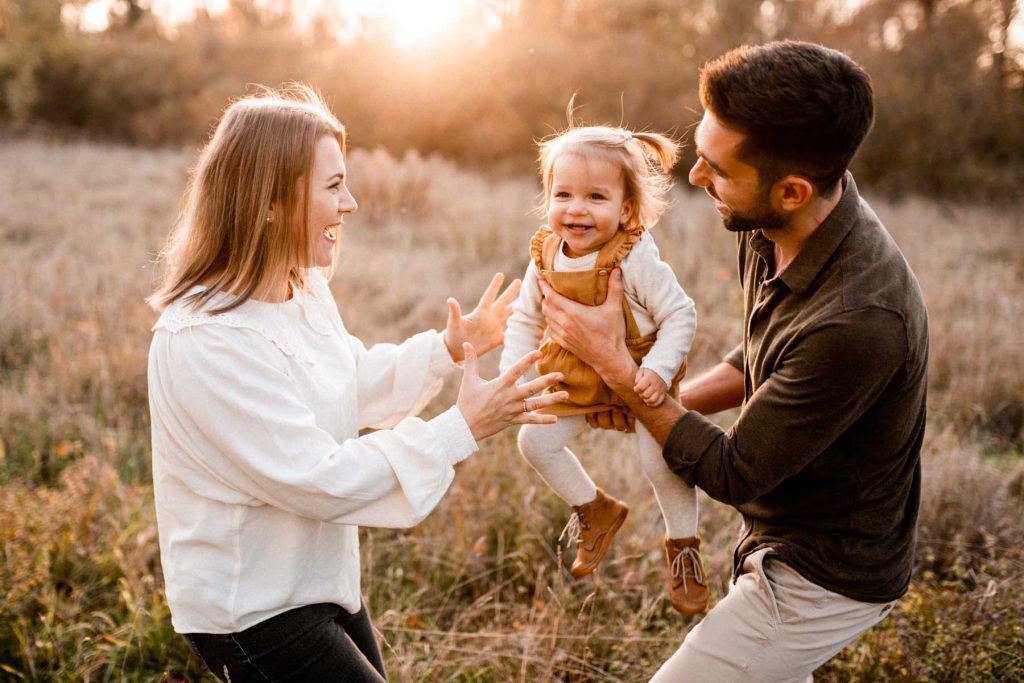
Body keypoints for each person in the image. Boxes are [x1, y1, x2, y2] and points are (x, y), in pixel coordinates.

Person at [145, 85, 568, 682]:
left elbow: (350, 380)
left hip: (316, 581)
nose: (353, 203)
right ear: (270, 200)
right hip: (251, 610)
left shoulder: (301, 290)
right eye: (332, 185)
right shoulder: (205, 340)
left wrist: (451, 349)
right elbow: (319, 477)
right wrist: (462, 428)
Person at [537, 41, 929, 680]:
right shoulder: (770, 227)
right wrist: (645, 401)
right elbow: (758, 360)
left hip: (823, 578)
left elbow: (735, 471)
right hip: (774, 540)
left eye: (716, 168)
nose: (694, 177)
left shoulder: (860, 322)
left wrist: (617, 369)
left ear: (793, 190)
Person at [499, 122, 709, 614]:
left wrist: (657, 370)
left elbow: (681, 313)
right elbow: (525, 318)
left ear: (626, 209)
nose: (575, 209)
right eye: (563, 193)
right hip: (574, 374)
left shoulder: (634, 256)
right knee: (534, 441)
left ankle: (684, 548)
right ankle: (594, 507)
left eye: (596, 196)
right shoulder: (544, 253)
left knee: (660, 462)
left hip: (638, 373)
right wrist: (516, 379)